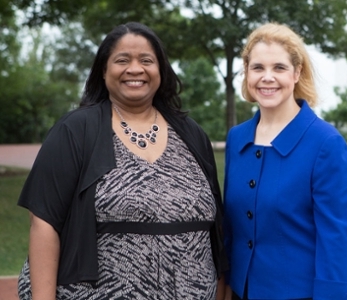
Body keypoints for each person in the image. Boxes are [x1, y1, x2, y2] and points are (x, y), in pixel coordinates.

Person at [17, 21, 227, 300]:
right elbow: (43, 222)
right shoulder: (76, 130)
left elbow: (217, 229)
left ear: (160, 70)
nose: (135, 69)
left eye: (146, 60)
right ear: (104, 71)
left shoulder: (191, 133)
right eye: (122, 60)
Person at [223, 23, 347, 300]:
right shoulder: (237, 139)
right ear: (246, 73)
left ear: (297, 73)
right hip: (239, 292)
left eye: (279, 68)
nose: (267, 77)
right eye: (258, 67)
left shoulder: (326, 144)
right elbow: (230, 228)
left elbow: (337, 243)